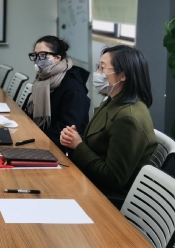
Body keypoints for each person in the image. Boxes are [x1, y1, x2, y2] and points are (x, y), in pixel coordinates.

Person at [60, 45, 157, 198]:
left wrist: (78, 145)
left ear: (122, 75)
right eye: (98, 67)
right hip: (91, 181)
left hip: (108, 197)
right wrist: (74, 139)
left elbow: (113, 178)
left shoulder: (128, 119)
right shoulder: (113, 101)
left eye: (103, 68)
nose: (98, 73)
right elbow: (99, 144)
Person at [25, 35, 90, 149]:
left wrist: (37, 139)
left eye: (43, 55)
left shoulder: (73, 86)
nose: (37, 59)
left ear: (57, 58)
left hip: (62, 147)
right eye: (35, 55)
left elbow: (67, 128)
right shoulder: (42, 79)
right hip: (41, 138)